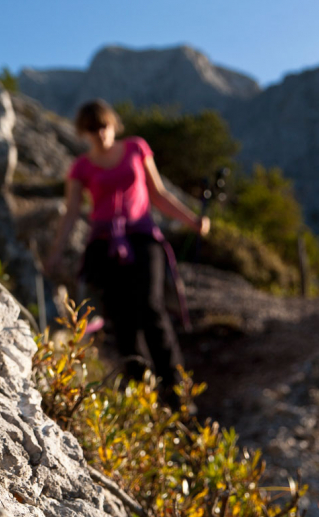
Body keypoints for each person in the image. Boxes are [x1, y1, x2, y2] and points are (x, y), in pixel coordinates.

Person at [46, 99, 210, 395]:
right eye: (92, 129)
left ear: (113, 124)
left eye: (103, 126)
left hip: (142, 238)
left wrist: (191, 220)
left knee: (150, 307)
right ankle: (141, 393)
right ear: (83, 133)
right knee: (122, 321)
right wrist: (56, 251)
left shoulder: (136, 148)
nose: (100, 133)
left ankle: (177, 391)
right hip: (104, 246)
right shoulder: (80, 167)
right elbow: (71, 212)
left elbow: (158, 194)